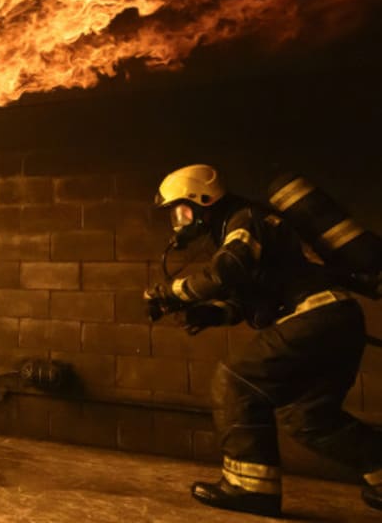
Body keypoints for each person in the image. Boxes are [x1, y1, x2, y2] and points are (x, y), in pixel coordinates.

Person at [146, 163, 382, 517]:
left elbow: (227, 270)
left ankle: (249, 489)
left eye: (180, 210)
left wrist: (172, 292)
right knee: (308, 416)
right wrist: (209, 313)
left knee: (235, 381)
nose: (177, 221)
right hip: (336, 320)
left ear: (202, 200)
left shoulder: (245, 220)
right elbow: (248, 298)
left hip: (314, 316)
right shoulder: (242, 228)